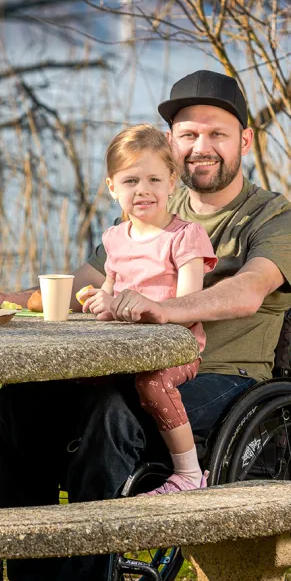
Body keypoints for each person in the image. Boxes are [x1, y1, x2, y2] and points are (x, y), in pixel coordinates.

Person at [0, 69, 291, 581]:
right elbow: (78, 290)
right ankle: (30, 579)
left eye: (216, 134)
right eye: (188, 135)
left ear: (245, 141)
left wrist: (163, 309)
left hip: (224, 379)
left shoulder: (275, 218)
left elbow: (248, 292)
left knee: (111, 410)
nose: (201, 147)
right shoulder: (150, 207)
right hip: (125, 370)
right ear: (171, 144)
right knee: (17, 405)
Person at [78, 124, 216, 495]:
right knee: (68, 383)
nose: (143, 190)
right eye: (130, 181)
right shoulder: (114, 239)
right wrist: (99, 301)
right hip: (124, 351)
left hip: (176, 351)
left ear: (173, 182)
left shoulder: (185, 237)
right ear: (111, 187)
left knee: (150, 383)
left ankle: (189, 473)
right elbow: (110, 294)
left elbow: (186, 309)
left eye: (154, 179)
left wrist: (134, 307)